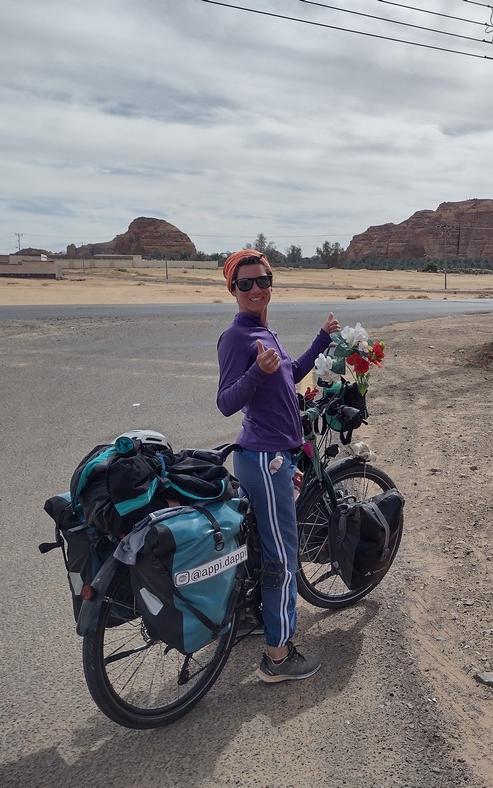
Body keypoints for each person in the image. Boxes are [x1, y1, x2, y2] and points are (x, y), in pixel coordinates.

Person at [215, 249, 339, 682]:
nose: (255, 289)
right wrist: (256, 375)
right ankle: (278, 658)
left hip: (278, 456)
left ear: (271, 284)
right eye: (245, 283)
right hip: (265, 459)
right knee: (284, 557)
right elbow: (226, 401)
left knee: (266, 549)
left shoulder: (266, 332)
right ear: (232, 289)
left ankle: (254, 618)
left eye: (262, 281)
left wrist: (322, 339)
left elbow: (291, 373)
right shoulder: (237, 337)